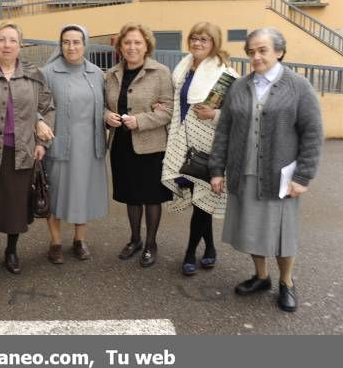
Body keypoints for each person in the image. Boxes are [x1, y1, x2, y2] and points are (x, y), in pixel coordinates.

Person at [209, 27, 323, 312]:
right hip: (244, 173)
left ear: (279, 52)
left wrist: (303, 176)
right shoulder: (238, 86)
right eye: (251, 52)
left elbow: (312, 133)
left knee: (283, 234)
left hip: (279, 177)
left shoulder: (299, 86)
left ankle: (286, 282)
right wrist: (217, 169)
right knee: (252, 229)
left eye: (263, 50)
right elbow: (224, 131)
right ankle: (261, 277)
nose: (256, 57)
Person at [0, 22, 55, 286]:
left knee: (16, 207)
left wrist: (42, 139)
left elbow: (47, 107)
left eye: (12, 40)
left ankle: (11, 251)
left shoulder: (33, 74)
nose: (7, 45)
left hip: (22, 151)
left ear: (20, 45)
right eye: (2, 40)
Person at [161, 22, 237, 276]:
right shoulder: (183, 68)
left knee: (202, 200)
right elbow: (178, 103)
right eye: (194, 38)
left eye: (204, 39)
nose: (197, 43)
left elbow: (237, 113)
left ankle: (190, 253)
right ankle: (211, 248)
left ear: (214, 43)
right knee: (198, 200)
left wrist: (215, 114)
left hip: (209, 146)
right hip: (182, 142)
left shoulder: (224, 74)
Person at [104, 23, 174, 267]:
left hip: (151, 144)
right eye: (127, 43)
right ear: (120, 47)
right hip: (121, 144)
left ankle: (151, 243)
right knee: (131, 196)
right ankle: (134, 239)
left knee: (151, 196)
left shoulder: (161, 73)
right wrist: (106, 115)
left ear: (146, 46)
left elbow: (168, 110)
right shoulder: (111, 74)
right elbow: (104, 105)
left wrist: (141, 120)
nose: (132, 47)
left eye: (137, 43)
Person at [41, 24, 108, 264]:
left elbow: (106, 105)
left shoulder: (97, 73)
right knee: (56, 193)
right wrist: (39, 123)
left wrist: (109, 114)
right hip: (60, 143)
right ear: (60, 45)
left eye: (76, 42)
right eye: (66, 42)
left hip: (89, 145)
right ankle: (56, 242)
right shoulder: (48, 72)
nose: (71, 47)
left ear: (85, 44)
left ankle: (79, 239)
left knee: (83, 192)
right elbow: (36, 106)